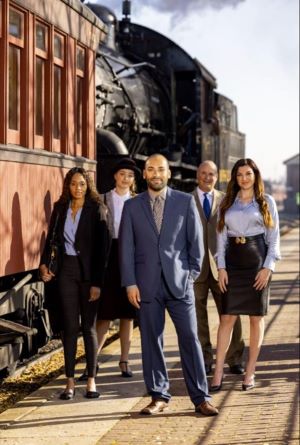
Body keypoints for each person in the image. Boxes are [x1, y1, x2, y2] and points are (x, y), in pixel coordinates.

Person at [119, 154, 219, 416]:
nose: (155, 174)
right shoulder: (132, 206)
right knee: (152, 342)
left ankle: (201, 397)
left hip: (180, 285)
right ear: (144, 173)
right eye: (150, 169)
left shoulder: (185, 202)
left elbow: (197, 248)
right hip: (146, 286)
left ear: (169, 173)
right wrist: (130, 283)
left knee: (190, 340)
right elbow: (126, 249)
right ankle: (159, 396)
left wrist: (188, 278)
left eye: (160, 169)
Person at [211, 158, 280, 391]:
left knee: (255, 319)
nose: (244, 178)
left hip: (256, 263)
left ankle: (250, 373)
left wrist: (267, 268)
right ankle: (218, 372)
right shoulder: (227, 202)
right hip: (233, 264)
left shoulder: (266, 202)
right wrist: (220, 268)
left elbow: (273, 239)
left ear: (255, 176)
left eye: (248, 174)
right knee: (226, 318)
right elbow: (220, 240)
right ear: (235, 177)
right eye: (239, 174)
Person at [39, 167, 109, 400]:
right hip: (66, 272)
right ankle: (69, 382)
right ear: (67, 186)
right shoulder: (60, 208)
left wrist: (98, 283)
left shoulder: (97, 209)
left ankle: (91, 380)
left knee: (88, 328)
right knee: (69, 328)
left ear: (88, 185)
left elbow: (103, 250)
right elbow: (51, 239)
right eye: (73, 184)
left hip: (89, 275)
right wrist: (44, 264)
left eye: (81, 184)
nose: (77, 188)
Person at [78, 158, 141, 381]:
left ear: (134, 180)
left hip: (130, 257)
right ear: (115, 176)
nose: (126, 178)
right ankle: (92, 364)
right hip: (107, 258)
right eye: (122, 174)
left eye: (130, 175)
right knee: (103, 314)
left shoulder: (138, 200)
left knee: (127, 314)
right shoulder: (102, 199)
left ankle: (124, 360)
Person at [192, 160, 245, 377]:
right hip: (195, 269)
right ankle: (205, 358)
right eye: (203, 173)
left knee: (231, 312)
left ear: (217, 176)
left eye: (211, 174)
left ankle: (235, 358)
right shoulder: (186, 201)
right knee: (197, 316)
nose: (207, 177)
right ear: (197, 175)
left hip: (222, 268)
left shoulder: (227, 201)